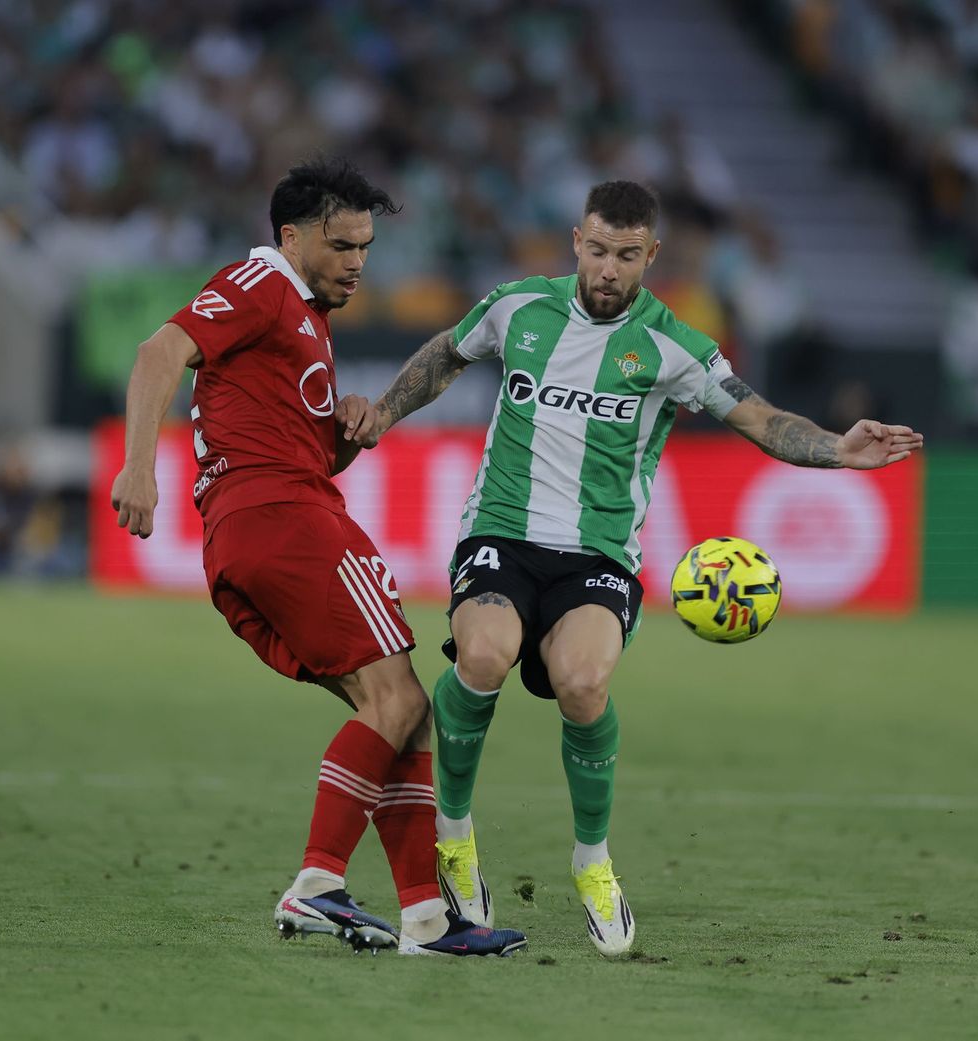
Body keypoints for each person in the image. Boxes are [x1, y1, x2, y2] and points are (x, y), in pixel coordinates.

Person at [350, 181, 923, 956]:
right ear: (575, 239)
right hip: (501, 532)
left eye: (627, 255)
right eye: (597, 249)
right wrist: (383, 413)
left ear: (650, 255)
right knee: (482, 654)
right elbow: (447, 354)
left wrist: (835, 448)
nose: (609, 268)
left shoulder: (675, 347)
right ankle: (452, 836)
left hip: (599, 552)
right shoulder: (519, 307)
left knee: (584, 684)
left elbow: (757, 416)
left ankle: (592, 859)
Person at [108, 156, 525, 958]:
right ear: (292, 236)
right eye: (341, 245)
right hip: (282, 517)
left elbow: (305, 445)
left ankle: (426, 919)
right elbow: (159, 353)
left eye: (366, 246)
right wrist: (137, 465)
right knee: (399, 700)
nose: (357, 263)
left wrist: (349, 430)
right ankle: (316, 883)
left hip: (255, 527)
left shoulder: (300, 316)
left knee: (396, 711)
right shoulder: (261, 282)